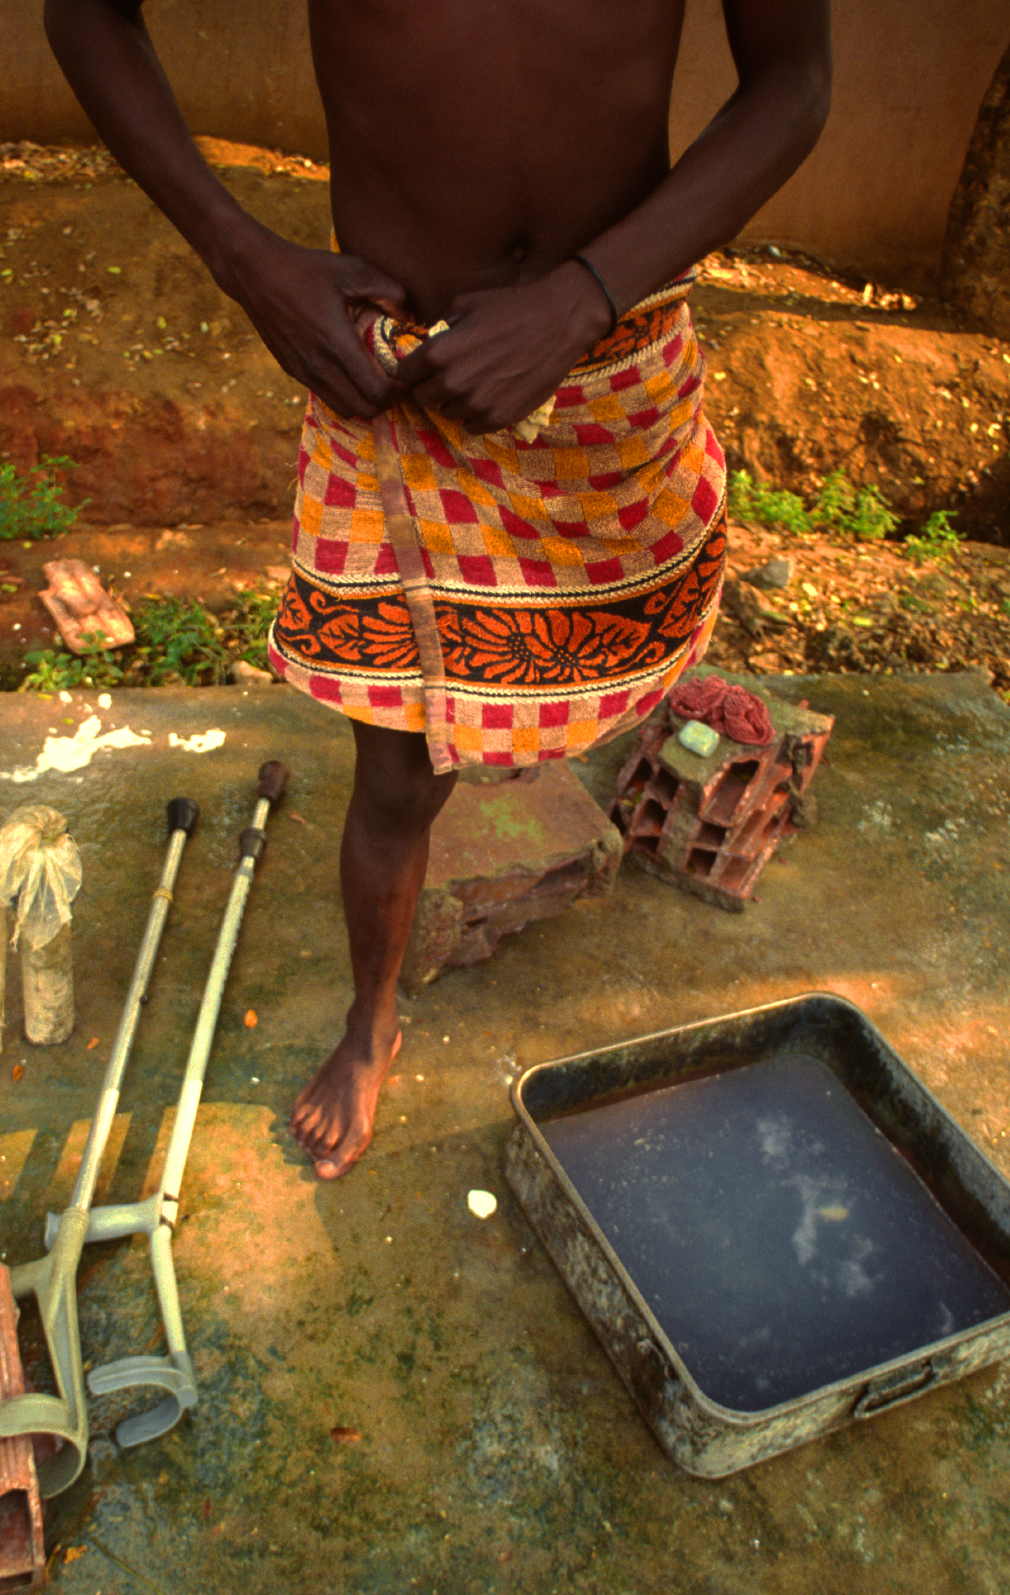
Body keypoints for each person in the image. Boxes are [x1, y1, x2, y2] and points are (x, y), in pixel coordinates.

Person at [46, 0, 831, 1178]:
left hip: (612, 355)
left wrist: (582, 297)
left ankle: (599, 768)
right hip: (398, 380)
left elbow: (793, 83)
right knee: (396, 770)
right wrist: (245, 257)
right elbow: (84, 12)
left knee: (620, 644)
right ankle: (372, 1022)